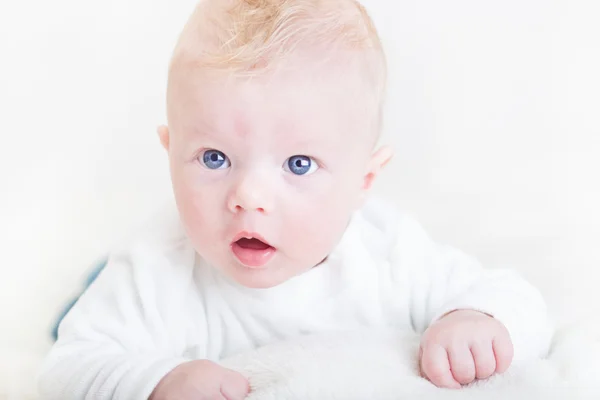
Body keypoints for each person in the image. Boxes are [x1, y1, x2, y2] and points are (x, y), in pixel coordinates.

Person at [38, 0, 552, 399]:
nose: (249, 197)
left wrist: (477, 322)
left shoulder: (390, 253)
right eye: (214, 158)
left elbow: (521, 303)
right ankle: (87, 287)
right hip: (128, 278)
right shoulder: (157, 268)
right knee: (83, 309)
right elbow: (66, 369)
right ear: (170, 153)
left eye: (298, 165)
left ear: (364, 180)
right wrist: (155, 381)